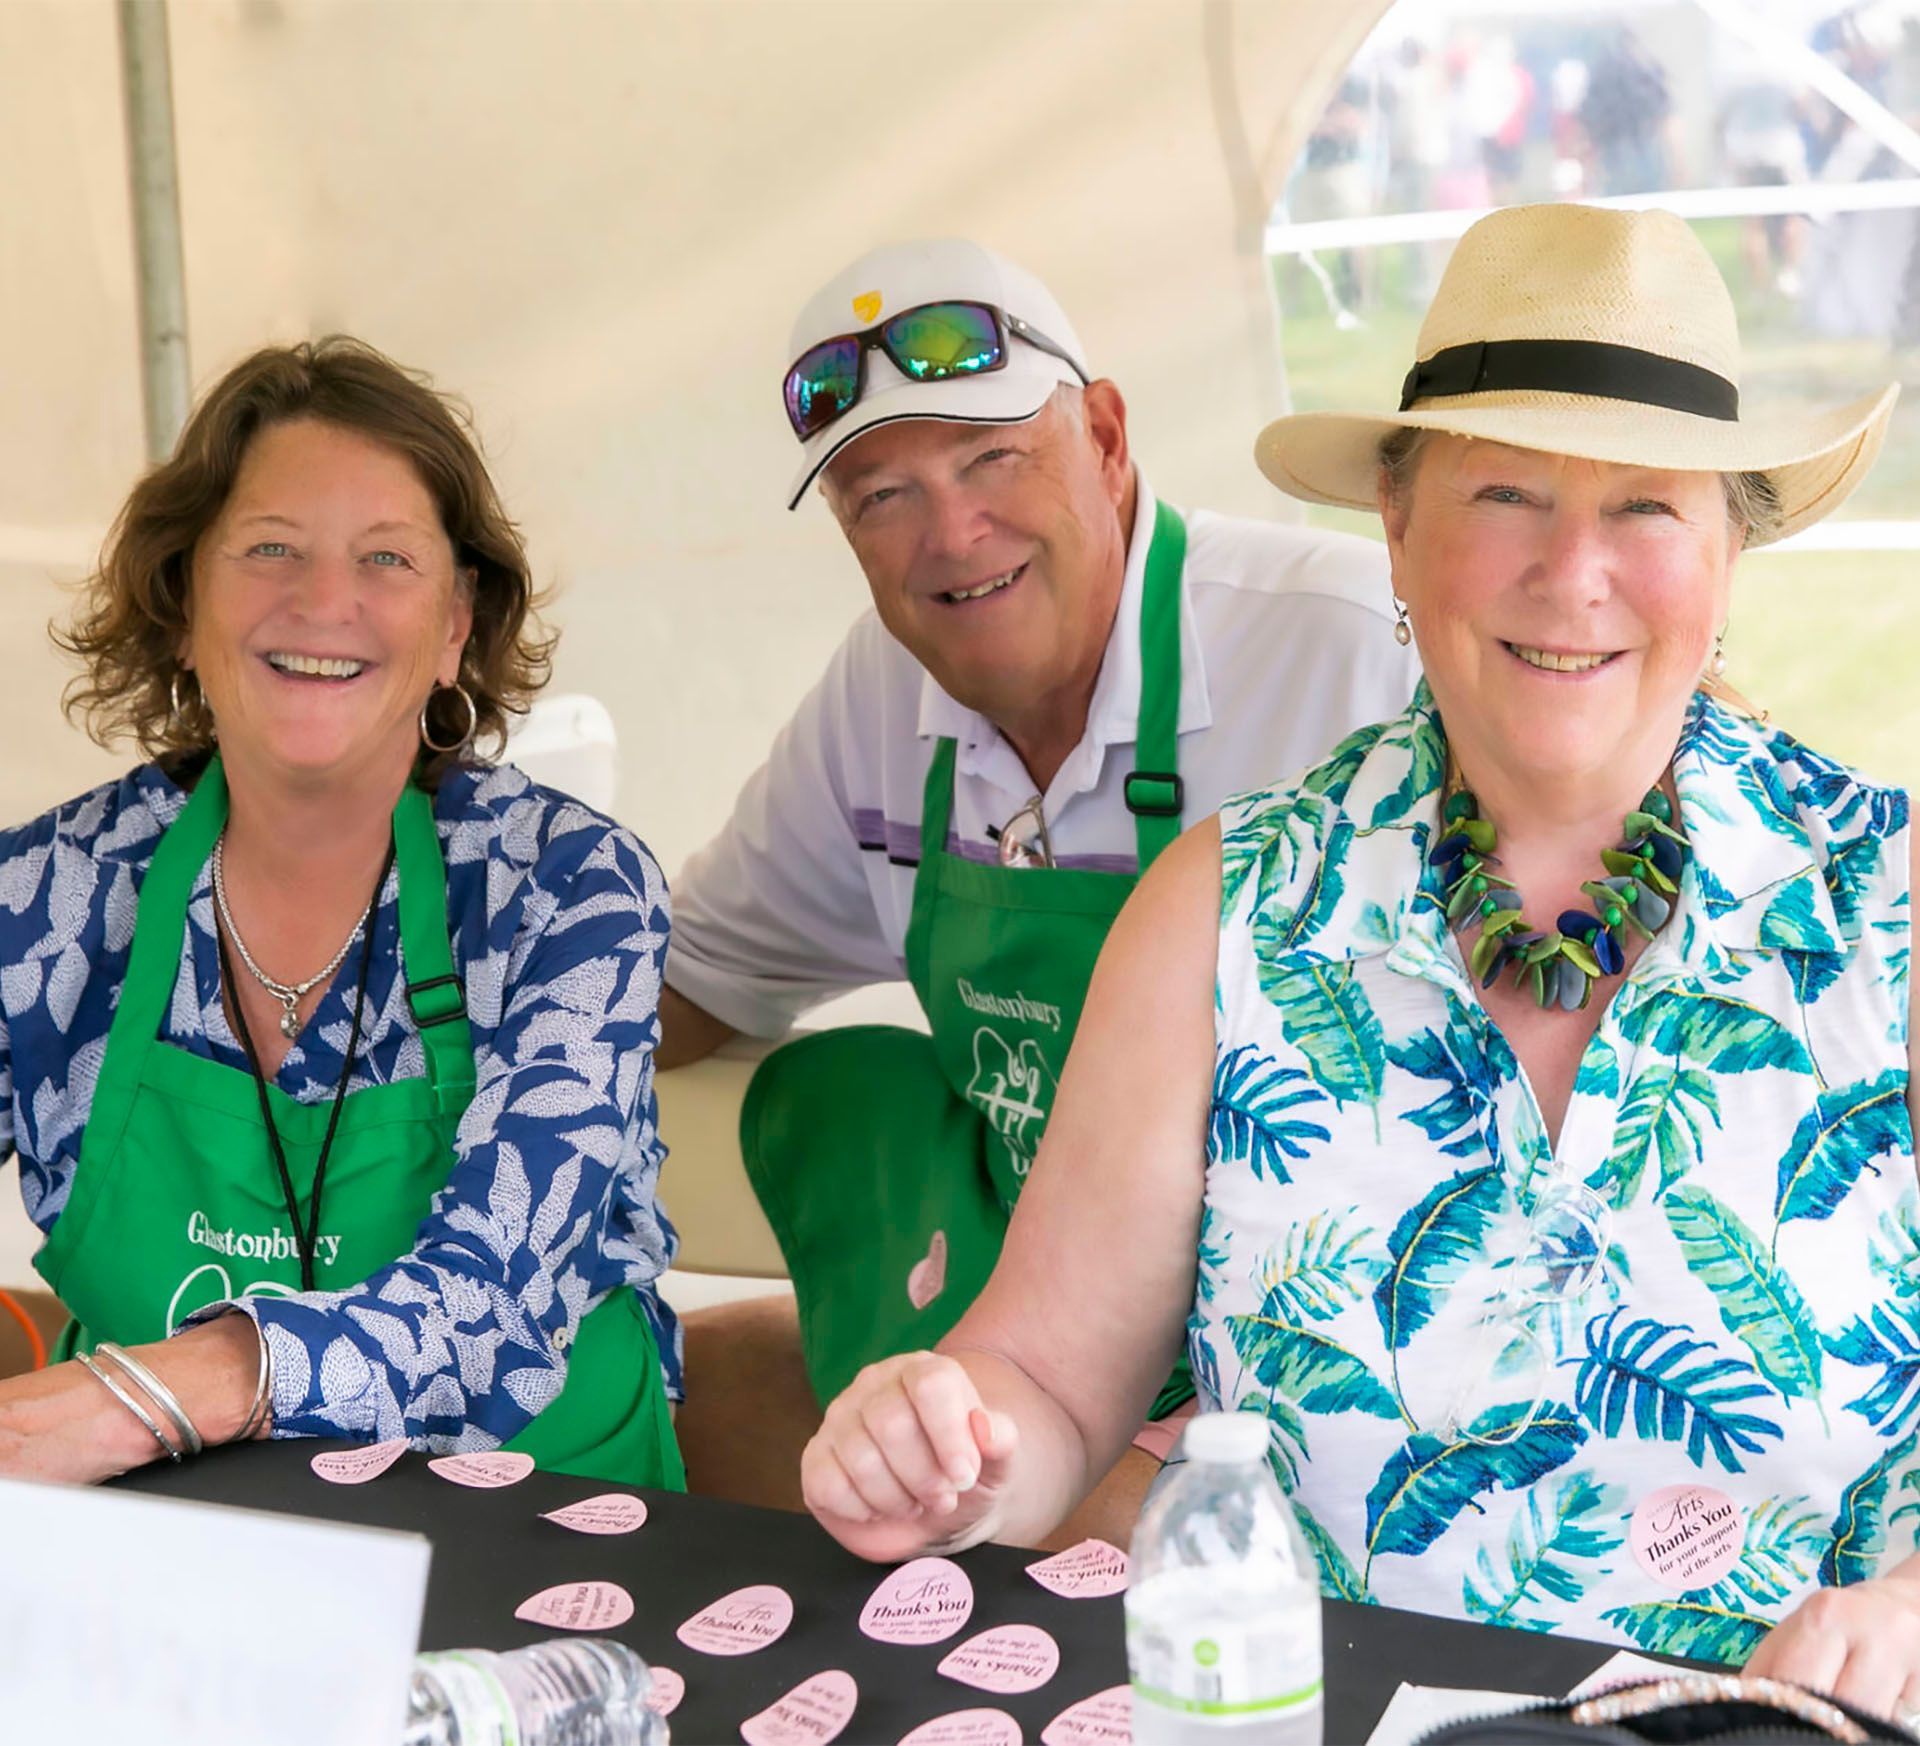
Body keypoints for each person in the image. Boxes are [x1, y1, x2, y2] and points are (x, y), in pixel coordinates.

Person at [801, 203, 1920, 1713]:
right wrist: (945, 1443)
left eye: (1647, 508)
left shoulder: (1889, 901)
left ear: (1730, 550)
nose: (1572, 571)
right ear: (1398, 525)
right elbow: (1047, 1384)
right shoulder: (1228, 906)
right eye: (1506, 493)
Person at [660, 239, 1418, 1536]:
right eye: (880, 495)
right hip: (1049, 1339)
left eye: (991, 458)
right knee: (684, 1383)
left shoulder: (1349, 650)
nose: (951, 535)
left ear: (1108, 438)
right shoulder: (879, 697)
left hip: (1318, 1371)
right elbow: (685, 983)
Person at [0, 338, 682, 1487]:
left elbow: (491, 1306)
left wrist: (154, 1392)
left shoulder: (565, 888)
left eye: (386, 558)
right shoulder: (48, 894)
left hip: (536, 1523)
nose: (324, 602)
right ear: (183, 601)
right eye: (271, 548)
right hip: (153, 1519)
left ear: (455, 625)